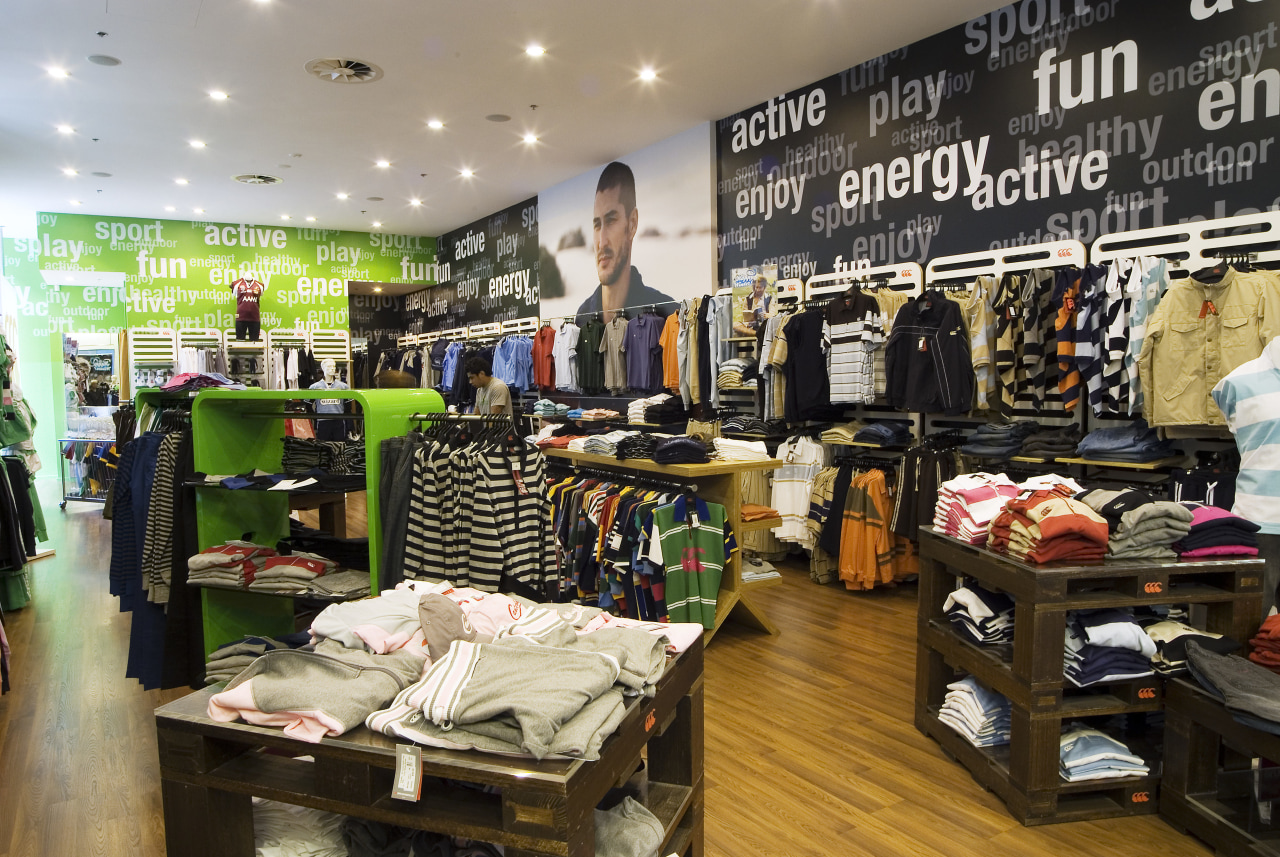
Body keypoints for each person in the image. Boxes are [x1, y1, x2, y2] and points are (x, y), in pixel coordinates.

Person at [574, 161, 676, 324]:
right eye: (597, 224)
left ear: (632, 223)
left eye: (611, 220)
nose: (601, 242)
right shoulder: (583, 316)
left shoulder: (666, 313)